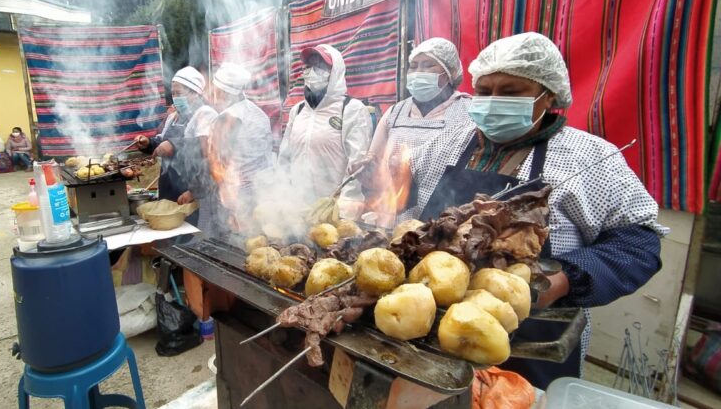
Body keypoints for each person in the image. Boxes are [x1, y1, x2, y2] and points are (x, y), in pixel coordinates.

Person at [408, 32, 666, 388]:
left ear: (549, 96)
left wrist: (563, 282)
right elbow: (404, 197)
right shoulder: (447, 142)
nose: (494, 101)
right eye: (484, 91)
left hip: (530, 343)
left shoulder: (590, 158)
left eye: (511, 92)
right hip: (426, 333)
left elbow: (638, 246)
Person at [354, 38, 471, 221]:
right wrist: (367, 169)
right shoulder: (395, 112)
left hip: (445, 218)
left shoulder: (468, 112)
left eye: (428, 65)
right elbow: (375, 162)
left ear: (451, 72)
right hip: (394, 217)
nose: (418, 72)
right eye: (414, 66)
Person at [278, 44, 373, 218]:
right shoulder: (297, 110)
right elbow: (284, 157)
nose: (312, 71)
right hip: (298, 208)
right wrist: (282, 195)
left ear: (335, 71)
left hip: (334, 209)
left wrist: (345, 210)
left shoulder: (351, 109)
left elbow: (357, 164)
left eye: (320, 66)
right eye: (308, 66)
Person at [135, 66, 218, 228]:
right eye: (173, 93)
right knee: (170, 233)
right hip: (169, 184)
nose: (174, 98)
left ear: (194, 93)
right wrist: (148, 143)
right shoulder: (173, 117)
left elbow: (205, 145)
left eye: (179, 93)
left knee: (191, 233)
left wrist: (174, 145)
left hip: (192, 186)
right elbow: (162, 141)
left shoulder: (205, 114)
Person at [207, 62, 273, 232]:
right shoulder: (258, 113)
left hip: (236, 198)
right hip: (263, 192)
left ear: (221, 90)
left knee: (235, 243)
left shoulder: (227, 118)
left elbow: (218, 165)